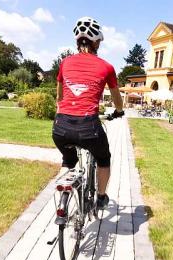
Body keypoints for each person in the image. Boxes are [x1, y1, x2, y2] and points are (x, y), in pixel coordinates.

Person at [52, 16, 125, 209]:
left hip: (60, 127)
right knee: (103, 158)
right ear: (96, 42)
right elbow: (118, 99)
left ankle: (62, 198)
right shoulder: (107, 67)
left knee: (68, 160)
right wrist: (119, 111)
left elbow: (60, 98)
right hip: (89, 128)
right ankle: (101, 197)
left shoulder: (65, 63)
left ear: (77, 41)